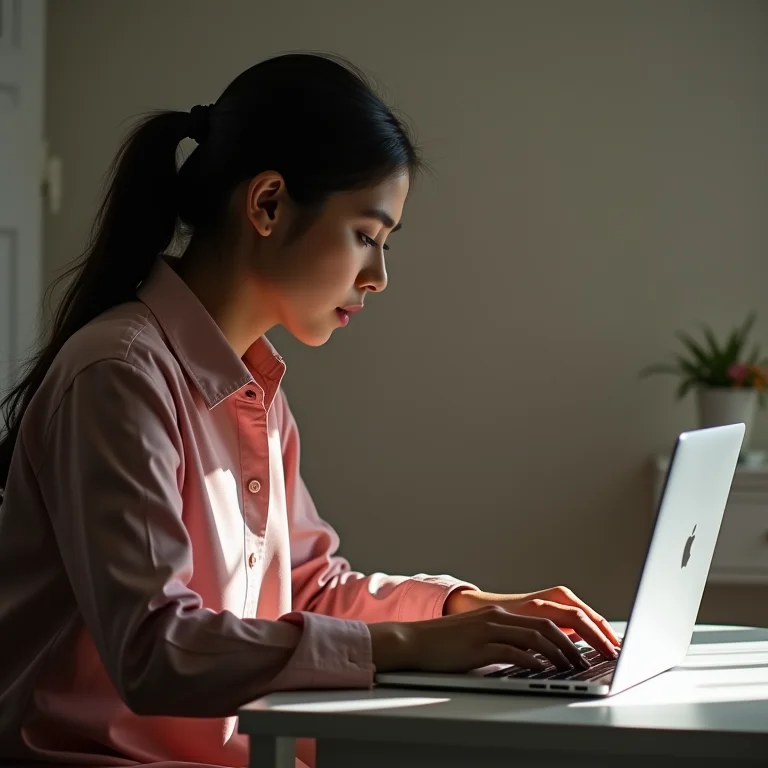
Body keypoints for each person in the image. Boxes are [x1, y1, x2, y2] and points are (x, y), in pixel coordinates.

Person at [0, 53, 619, 768]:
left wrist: (468, 610)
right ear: (266, 204)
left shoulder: (253, 387)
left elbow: (309, 588)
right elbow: (155, 650)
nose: (378, 278)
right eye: (366, 235)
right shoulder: (120, 375)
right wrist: (417, 645)